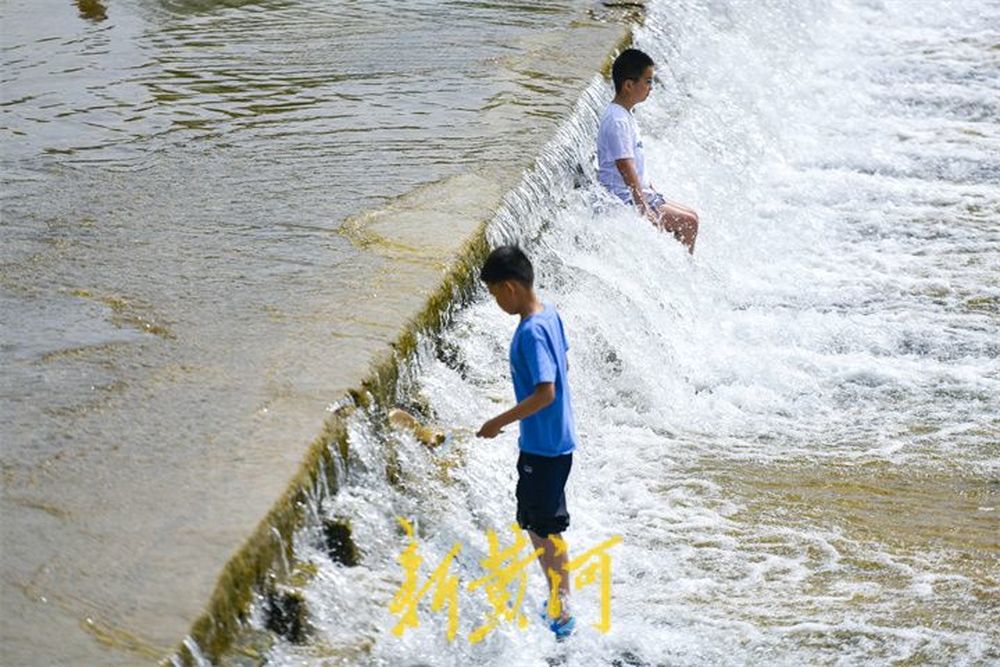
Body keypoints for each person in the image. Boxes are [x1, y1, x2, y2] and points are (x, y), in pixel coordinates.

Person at [476, 245, 578, 640]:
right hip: (556, 438)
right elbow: (564, 363)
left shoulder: (531, 332)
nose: (496, 302)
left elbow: (546, 391)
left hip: (544, 446)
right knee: (538, 521)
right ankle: (559, 596)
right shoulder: (549, 313)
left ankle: (562, 606)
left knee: (544, 527)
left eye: (494, 293)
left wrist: (497, 422)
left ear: (510, 289)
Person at [597, 47, 699, 253]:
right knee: (689, 223)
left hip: (640, 194)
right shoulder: (617, 120)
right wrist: (643, 207)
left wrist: (650, 190)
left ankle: (677, 263)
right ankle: (684, 271)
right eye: (648, 81)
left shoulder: (624, 114)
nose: (651, 87)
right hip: (624, 200)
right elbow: (625, 166)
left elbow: (635, 163)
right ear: (628, 85)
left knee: (692, 216)